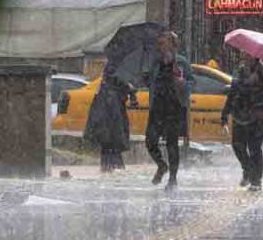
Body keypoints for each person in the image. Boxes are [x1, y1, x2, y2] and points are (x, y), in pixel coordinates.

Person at [144, 31, 194, 189]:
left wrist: (182, 82)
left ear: (172, 44)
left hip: (175, 106)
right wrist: (146, 77)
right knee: (150, 141)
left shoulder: (181, 63)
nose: (160, 46)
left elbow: (192, 83)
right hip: (158, 106)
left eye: (163, 43)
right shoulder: (156, 63)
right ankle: (161, 165)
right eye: (159, 44)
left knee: (172, 144)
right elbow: (149, 82)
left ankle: (173, 178)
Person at [221, 51, 263, 191]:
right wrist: (225, 114)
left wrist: (258, 84)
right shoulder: (239, 70)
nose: (245, 57)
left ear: (255, 56)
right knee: (237, 145)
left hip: (258, 115)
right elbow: (233, 91)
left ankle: (256, 180)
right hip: (240, 114)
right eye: (244, 54)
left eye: (249, 54)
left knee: (254, 147)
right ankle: (247, 170)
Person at [83, 65, 138, 173]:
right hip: (110, 106)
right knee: (112, 141)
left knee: (109, 144)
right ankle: (113, 169)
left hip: (109, 106)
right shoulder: (117, 67)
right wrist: (131, 91)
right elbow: (121, 80)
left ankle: (110, 169)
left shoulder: (115, 67)